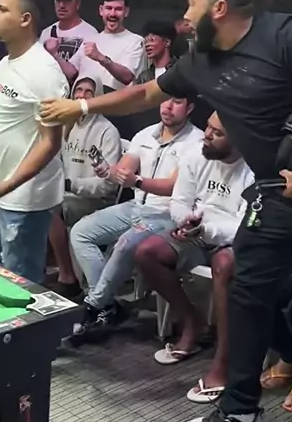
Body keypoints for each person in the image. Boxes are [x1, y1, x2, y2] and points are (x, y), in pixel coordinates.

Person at [40, 0, 292, 422]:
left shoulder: (283, 36)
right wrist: (83, 106)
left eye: (191, 5)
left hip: (287, 186)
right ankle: (245, 408)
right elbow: (143, 92)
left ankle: (241, 411)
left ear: (219, 8)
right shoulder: (202, 59)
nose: (185, 16)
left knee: (256, 293)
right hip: (274, 196)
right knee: (256, 292)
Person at [135, 113, 253, 396]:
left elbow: (244, 227)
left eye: (217, 133)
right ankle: (192, 322)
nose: (207, 135)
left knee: (224, 264)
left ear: (238, 139)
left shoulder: (254, 170)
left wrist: (206, 229)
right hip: (197, 231)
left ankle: (224, 360)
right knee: (147, 252)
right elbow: (179, 201)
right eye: (208, 127)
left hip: (232, 239)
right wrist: (186, 221)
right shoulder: (197, 154)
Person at [70, 98, 202, 344]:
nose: (168, 107)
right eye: (165, 100)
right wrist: (109, 171)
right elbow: (124, 169)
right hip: (136, 206)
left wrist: (137, 181)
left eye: (177, 102)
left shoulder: (196, 142)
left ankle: (92, 306)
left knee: (126, 243)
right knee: (81, 232)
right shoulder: (145, 134)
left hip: (167, 214)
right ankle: (107, 305)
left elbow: (175, 187)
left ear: (190, 107)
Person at [0, 0, 69, 284]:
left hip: (23, 200)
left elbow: (50, 143)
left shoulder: (44, 72)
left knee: (21, 286)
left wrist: (6, 186)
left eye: (3, 10)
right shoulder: (5, 63)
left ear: (25, 19)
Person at [49, 75, 121, 299]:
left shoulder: (107, 131)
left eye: (89, 92)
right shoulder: (67, 125)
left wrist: (71, 184)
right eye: (78, 90)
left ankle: (67, 278)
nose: (81, 95)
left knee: (49, 210)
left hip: (96, 201)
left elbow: (108, 185)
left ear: (98, 96)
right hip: (65, 195)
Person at [72, 0, 146, 91]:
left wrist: (100, 57)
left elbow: (128, 77)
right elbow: (71, 71)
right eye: (108, 8)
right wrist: (54, 55)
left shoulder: (136, 41)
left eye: (118, 9)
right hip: (86, 100)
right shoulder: (90, 40)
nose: (112, 14)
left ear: (126, 12)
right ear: (101, 10)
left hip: (116, 100)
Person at [39, 0, 98, 80]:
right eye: (58, 0)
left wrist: (54, 54)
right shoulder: (46, 32)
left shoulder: (90, 34)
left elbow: (76, 74)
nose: (62, 5)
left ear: (77, 3)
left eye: (67, 0)